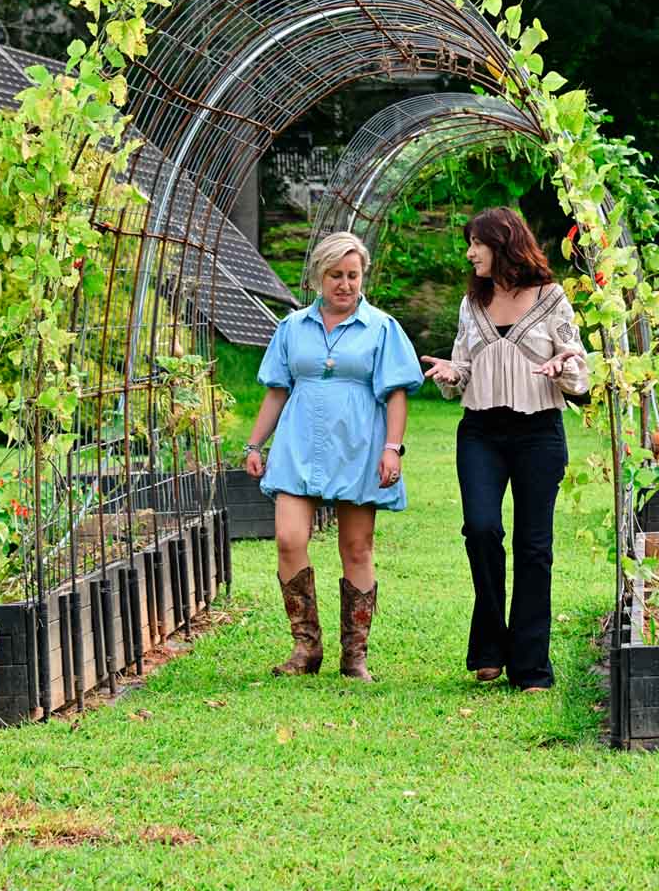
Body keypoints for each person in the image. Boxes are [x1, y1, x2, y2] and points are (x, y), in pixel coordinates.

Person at [420, 207, 589, 691]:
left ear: (504, 243)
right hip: (480, 432)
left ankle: (530, 665)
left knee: (534, 547)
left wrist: (563, 367)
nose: (470, 253)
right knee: (481, 530)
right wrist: (452, 374)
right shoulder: (471, 303)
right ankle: (489, 646)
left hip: (539, 432)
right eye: (469, 243)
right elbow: (463, 366)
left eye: (477, 243)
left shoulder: (551, 298)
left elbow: (578, 367)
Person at [244, 231, 423, 682]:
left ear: (363, 277)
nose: (345, 284)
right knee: (289, 538)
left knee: (356, 547)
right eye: (335, 275)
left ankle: (354, 655)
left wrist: (392, 448)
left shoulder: (382, 328)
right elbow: (277, 391)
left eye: (352, 275)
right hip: (298, 445)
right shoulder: (291, 328)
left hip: (359, 446)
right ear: (317, 278)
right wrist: (255, 444)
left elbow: (396, 395)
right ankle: (306, 647)